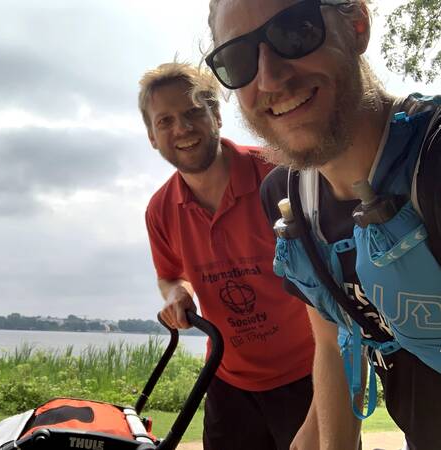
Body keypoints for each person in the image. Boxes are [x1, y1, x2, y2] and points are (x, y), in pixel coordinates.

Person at [205, 1, 441, 449]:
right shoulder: (289, 199)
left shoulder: (432, 165)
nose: (270, 78)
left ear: (356, 26)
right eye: (238, 59)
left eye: (295, 31)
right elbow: (335, 344)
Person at [138, 62, 316, 450]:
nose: (182, 129)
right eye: (164, 121)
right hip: (227, 378)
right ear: (152, 136)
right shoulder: (160, 210)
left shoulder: (281, 173)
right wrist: (176, 294)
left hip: (309, 372)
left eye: (192, 113)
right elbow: (169, 275)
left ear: (216, 115)